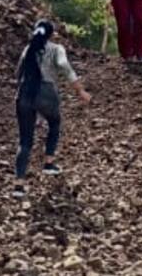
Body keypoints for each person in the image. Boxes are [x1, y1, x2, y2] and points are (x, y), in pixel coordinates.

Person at [12, 20, 92, 200]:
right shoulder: (56, 49)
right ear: (51, 34)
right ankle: (48, 162)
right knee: (55, 123)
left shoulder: (28, 49)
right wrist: (79, 90)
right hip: (46, 92)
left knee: (24, 141)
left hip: (24, 93)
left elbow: (18, 73)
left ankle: (18, 185)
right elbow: (64, 66)